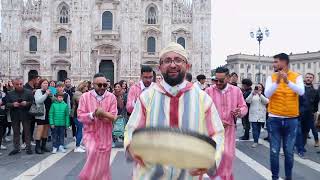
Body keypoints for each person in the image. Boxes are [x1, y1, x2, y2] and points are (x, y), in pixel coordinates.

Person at [124, 42, 224, 179]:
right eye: (167, 61)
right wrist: (133, 148)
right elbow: (131, 129)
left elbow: (217, 133)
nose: (172, 65)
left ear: (187, 66)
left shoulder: (202, 99)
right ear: (159, 68)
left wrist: (211, 159)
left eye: (178, 60)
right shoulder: (147, 97)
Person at [265, 53, 304, 180]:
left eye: (276, 62)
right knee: (274, 152)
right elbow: (267, 94)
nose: (274, 64)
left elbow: (301, 91)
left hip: (291, 119)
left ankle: (288, 177)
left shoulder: (297, 77)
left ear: (284, 62)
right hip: (274, 118)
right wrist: (277, 82)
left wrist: (287, 82)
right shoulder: (271, 77)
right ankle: (274, 177)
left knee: (289, 152)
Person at [206, 66, 247, 180]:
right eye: (216, 80)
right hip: (213, 132)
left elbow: (243, 107)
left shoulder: (236, 91)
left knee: (228, 157)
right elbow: (202, 111)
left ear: (228, 78)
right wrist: (215, 122)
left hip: (229, 131)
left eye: (221, 80)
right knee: (215, 161)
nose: (218, 83)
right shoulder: (209, 91)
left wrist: (240, 112)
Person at [77, 73, 118, 180]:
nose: (103, 87)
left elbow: (114, 115)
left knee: (104, 163)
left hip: (105, 134)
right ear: (93, 85)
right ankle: (86, 177)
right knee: (93, 153)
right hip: (90, 133)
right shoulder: (85, 97)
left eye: (105, 85)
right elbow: (80, 116)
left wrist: (103, 114)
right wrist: (92, 115)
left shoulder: (111, 97)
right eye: (99, 85)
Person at [6, 78, 34, 155]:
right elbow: (6, 104)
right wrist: (13, 104)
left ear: (23, 83)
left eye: (21, 84)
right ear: (14, 84)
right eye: (17, 84)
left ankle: (28, 147)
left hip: (26, 115)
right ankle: (16, 148)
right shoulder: (10, 93)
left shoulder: (28, 92)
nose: (19, 86)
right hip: (15, 115)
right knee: (16, 132)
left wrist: (27, 103)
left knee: (27, 132)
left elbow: (32, 102)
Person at [296, 73, 319, 156]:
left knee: (305, 132)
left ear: (313, 79)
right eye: (307, 77)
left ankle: (301, 147)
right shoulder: (300, 89)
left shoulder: (315, 91)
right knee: (298, 131)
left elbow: (316, 103)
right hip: (298, 113)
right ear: (305, 78)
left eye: (310, 77)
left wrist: (314, 112)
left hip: (309, 115)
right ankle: (299, 147)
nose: (308, 79)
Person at [245, 83, 269, 148]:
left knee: (258, 129)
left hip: (261, 115)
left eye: (260, 87)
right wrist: (252, 94)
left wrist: (260, 94)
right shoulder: (253, 94)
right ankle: (255, 141)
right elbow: (247, 101)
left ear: (262, 88)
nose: (258, 88)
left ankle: (256, 140)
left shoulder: (264, 95)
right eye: (257, 87)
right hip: (253, 114)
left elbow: (266, 102)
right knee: (254, 128)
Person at [34, 79, 53, 154]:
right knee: (40, 130)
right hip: (41, 113)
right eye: (44, 83)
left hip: (48, 113)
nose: (46, 85)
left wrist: (51, 95)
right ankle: (37, 147)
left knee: (46, 130)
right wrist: (46, 94)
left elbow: (53, 100)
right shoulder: (38, 91)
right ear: (41, 84)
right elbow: (38, 101)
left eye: (47, 83)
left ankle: (43, 146)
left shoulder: (49, 91)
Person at [23, 74, 40, 147]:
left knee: (32, 125)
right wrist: (32, 92)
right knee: (26, 126)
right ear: (33, 79)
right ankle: (24, 141)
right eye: (37, 79)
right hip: (26, 110)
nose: (38, 81)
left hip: (33, 109)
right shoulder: (25, 87)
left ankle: (30, 139)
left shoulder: (35, 87)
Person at [72, 81, 88, 153]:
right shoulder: (78, 94)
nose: (87, 88)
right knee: (80, 130)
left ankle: (79, 144)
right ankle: (77, 146)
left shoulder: (80, 94)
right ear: (83, 87)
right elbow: (81, 103)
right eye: (86, 87)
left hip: (78, 114)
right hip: (77, 114)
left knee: (80, 130)